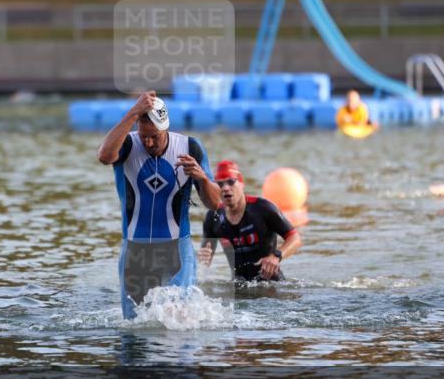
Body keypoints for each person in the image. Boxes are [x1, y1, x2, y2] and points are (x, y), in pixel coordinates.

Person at [97, 91, 221, 319]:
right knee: (133, 327)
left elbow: (215, 203)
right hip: (135, 251)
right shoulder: (126, 144)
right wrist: (133, 112)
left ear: (166, 128)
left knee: (176, 319)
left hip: (176, 249)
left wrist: (202, 178)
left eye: (154, 136)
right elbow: (104, 156)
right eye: (144, 136)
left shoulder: (190, 147)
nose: (148, 142)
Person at [199, 161, 303, 283]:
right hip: (239, 286)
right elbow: (205, 260)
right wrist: (203, 257)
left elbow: (295, 238)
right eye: (220, 184)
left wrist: (276, 256)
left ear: (241, 183)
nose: (226, 188)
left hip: (271, 284)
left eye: (231, 182)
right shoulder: (213, 217)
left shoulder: (263, 208)